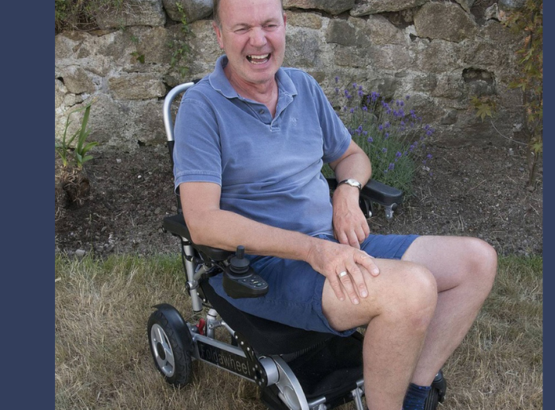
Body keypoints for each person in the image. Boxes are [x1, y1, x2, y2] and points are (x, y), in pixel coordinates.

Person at [172, 0, 497, 408]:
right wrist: (313, 250)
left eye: (269, 24)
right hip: (262, 269)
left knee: (476, 261)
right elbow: (202, 222)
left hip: (334, 244)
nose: (259, 40)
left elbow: (353, 156)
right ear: (219, 35)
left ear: (285, 26)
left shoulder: (301, 87)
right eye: (242, 29)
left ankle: (414, 393)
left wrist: (347, 191)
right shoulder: (202, 109)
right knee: (411, 288)